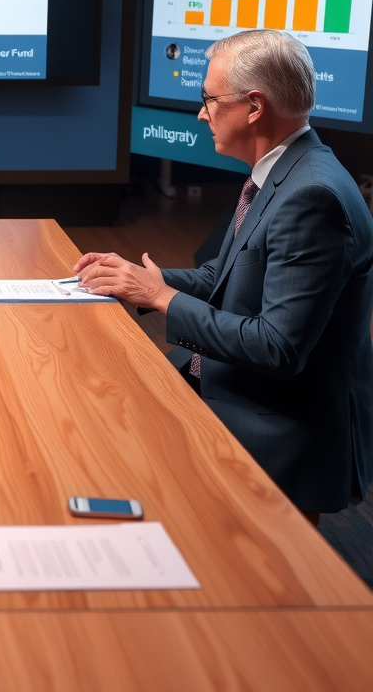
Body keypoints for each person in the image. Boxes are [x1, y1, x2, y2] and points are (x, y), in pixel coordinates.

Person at [75, 29, 373, 518]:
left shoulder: (312, 198)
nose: (200, 114)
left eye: (209, 100)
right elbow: (229, 273)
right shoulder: (285, 169)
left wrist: (162, 298)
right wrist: (134, 279)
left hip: (273, 424)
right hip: (236, 385)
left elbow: (277, 348)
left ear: (254, 107)